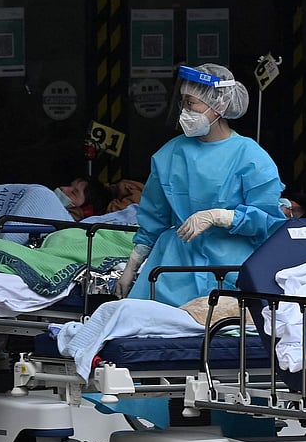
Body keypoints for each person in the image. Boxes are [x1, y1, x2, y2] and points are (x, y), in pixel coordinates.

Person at [114, 64, 285, 306]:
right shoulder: (170, 154)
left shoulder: (251, 156)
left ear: (218, 106)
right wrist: (132, 265)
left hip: (229, 267)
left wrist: (221, 217)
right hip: (174, 267)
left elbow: (269, 221)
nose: (185, 110)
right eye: (183, 103)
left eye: (191, 103)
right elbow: (154, 218)